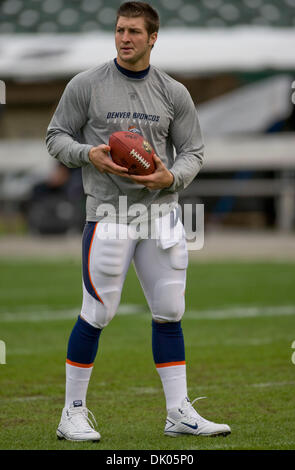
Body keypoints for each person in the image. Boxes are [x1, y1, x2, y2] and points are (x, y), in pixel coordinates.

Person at [46, 1, 231, 442]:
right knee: (97, 312)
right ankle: (71, 413)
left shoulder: (173, 91)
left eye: (133, 31)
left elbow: (194, 152)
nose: (124, 38)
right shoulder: (86, 85)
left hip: (162, 213)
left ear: (152, 38)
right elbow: (56, 138)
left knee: (170, 311)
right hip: (108, 213)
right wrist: (87, 154)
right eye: (119, 30)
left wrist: (172, 176)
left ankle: (178, 413)